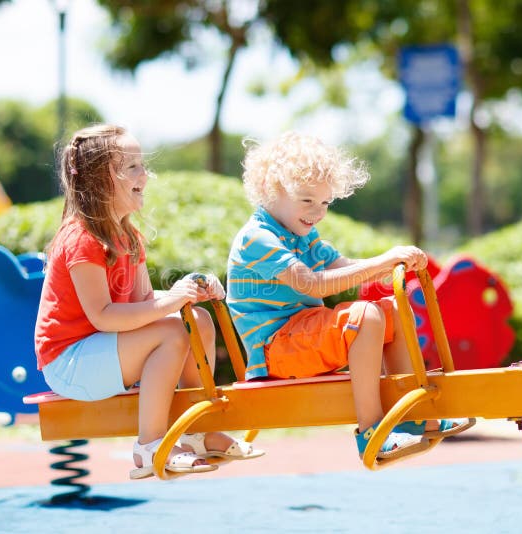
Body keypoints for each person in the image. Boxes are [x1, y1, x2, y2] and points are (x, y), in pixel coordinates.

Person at [227, 131, 474, 462]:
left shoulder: (303, 235)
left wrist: (394, 264)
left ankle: (412, 416)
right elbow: (312, 284)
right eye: (307, 201)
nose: (317, 212)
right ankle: (371, 430)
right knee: (366, 316)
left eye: (325, 203)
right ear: (273, 190)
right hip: (275, 349)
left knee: (391, 310)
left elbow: (344, 268)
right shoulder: (257, 238)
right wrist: (383, 260)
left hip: (304, 334)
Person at [34, 124, 262, 480]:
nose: (146, 174)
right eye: (133, 167)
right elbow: (104, 317)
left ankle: (197, 432)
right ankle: (150, 445)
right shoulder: (81, 238)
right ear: (99, 180)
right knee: (172, 332)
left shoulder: (129, 236)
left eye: (143, 165)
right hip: (69, 361)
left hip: (100, 349)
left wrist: (186, 294)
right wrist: (170, 303)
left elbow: (141, 302)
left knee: (197, 320)